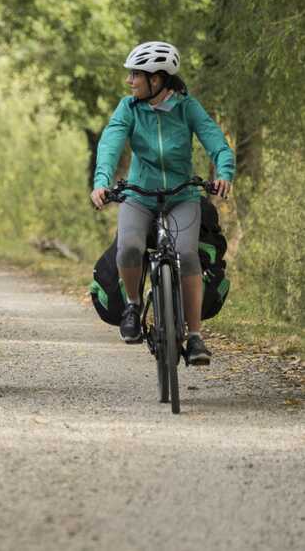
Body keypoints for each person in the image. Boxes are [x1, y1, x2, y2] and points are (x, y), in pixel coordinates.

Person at [90, 41, 235, 365]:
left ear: (157, 80)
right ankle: (131, 305)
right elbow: (110, 144)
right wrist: (102, 182)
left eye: (135, 75)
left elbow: (216, 143)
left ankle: (195, 336)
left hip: (182, 196)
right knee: (128, 248)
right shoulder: (128, 108)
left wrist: (224, 172)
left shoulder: (187, 107)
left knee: (186, 254)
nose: (130, 81)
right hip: (139, 195)